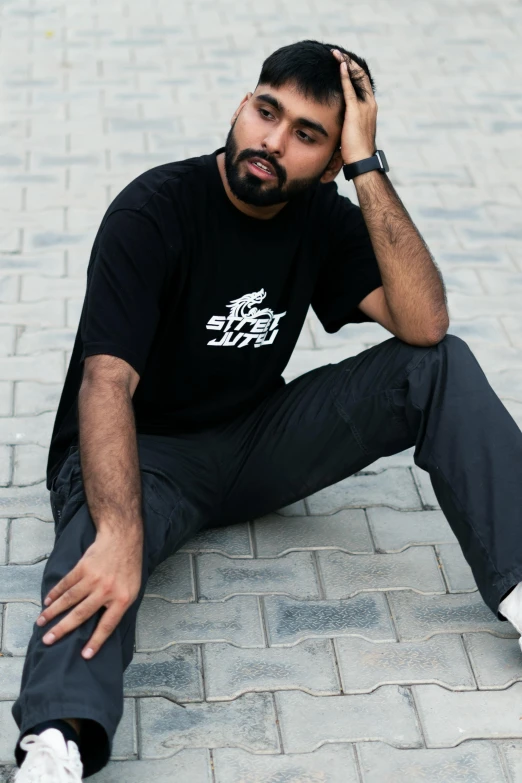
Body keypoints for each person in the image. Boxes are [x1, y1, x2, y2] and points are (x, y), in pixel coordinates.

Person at [12, 39, 522, 781]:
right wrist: (125, 532)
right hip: (142, 450)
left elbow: (425, 323)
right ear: (243, 103)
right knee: (98, 537)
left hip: (253, 442)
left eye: (307, 135)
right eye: (266, 111)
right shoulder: (154, 210)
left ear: (328, 157)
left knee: (437, 366)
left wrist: (367, 167)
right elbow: (105, 383)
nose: (271, 143)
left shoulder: (321, 215)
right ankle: (59, 738)